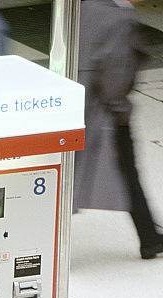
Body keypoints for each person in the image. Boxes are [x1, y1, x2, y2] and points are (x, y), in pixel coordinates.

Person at [74, 0, 163, 260]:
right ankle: (148, 237)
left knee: (120, 173)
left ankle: (148, 235)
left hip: (80, 106)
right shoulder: (120, 21)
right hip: (105, 114)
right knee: (128, 172)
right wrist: (120, 108)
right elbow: (116, 71)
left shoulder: (87, 6)